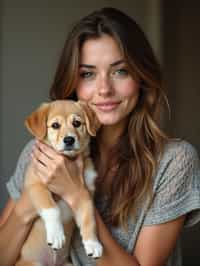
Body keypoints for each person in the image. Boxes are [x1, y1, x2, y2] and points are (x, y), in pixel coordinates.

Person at [0, 7, 200, 266]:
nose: (104, 89)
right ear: (73, 81)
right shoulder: (40, 151)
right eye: (88, 74)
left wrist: (75, 194)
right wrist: (29, 203)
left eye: (120, 71)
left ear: (141, 77)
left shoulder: (173, 162)